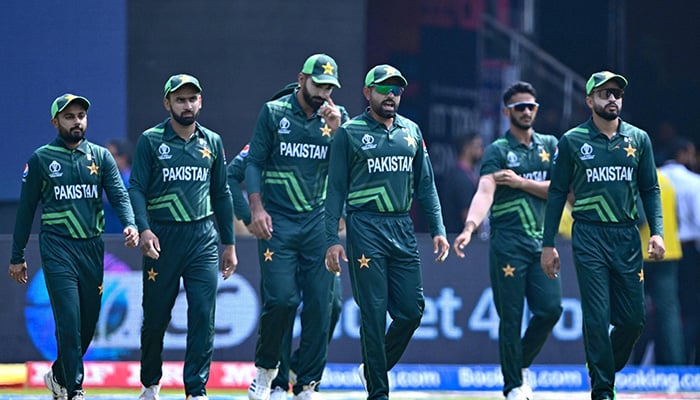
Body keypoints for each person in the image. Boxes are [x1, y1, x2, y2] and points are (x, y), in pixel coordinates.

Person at [324, 64, 450, 400]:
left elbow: (426, 185)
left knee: (411, 312)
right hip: (365, 225)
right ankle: (378, 392)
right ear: (367, 93)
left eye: (396, 89)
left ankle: (372, 368)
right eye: (384, 89)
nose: (391, 95)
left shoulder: (411, 130)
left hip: (401, 226)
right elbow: (335, 189)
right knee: (374, 312)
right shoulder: (350, 133)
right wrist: (331, 240)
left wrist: (438, 228)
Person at [541, 71, 665, 400]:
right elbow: (556, 194)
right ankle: (602, 390)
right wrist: (547, 243)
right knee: (596, 316)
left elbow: (650, 189)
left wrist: (658, 233)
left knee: (633, 321)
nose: (612, 98)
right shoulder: (572, 141)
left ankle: (604, 366)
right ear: (589, 100)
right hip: (589, 236)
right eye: (605, 93)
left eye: (617, 94)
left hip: (626, 236)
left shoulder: (638, 139)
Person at [8, 93, 139, 400]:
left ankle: (57, 375)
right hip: (57, 247)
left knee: (88, 324)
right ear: (55, 122)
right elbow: (26, 210)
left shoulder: (101, 157)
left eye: (81, 116)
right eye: (69, 117)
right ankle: (74, 389)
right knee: (67, 317)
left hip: (91, 249)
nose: (77, 121)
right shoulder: (41, 159)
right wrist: (17, 256)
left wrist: (131, 223)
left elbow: (120, 195)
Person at [227, 82, 344, 400]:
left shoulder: (331, 125)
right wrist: (249, 216)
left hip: (317, 229)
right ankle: (276, 380)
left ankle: (299, 373)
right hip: (279, 228)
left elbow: (348, 170)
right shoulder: (266, 136)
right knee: (283, 301)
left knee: (331, 305)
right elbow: (229, 176)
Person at [129, 74, 237, 400]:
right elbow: (135, 188)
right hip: (161, 237)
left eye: (192, 99)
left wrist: (229, 244)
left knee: (203, 314)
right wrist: (144, 228)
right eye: (180, 99)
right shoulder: (150, 141)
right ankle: (150, 382)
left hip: (203, 237)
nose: (187, 105)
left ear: (200, 101)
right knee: (157, 316)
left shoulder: (212, 142)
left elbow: (222, 193)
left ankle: (196, 389)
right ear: (167, 103)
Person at [452, 81, 562, 400]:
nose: (526, 111)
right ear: (506, 112)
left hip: (543, 242)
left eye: (531, 106)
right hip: (508, 243)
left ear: (536, 110)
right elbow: (485, 191)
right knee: (511, 316)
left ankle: (521, 363)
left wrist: (520, 183)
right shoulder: (498, 151)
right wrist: (470, 228)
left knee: (550, 310)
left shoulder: (550, 145)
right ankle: (513, 385)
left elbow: (561, 191)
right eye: (519, 107)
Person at [632, 169, 684, 365]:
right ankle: (676, 366)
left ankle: (632, 363)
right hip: (669, 251)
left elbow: (640, 218)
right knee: (669, 311)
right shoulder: (666, 181)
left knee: (635, 310)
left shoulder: (635, 179)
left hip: (643, 253)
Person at [659, 137, 700, 364]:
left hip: (652, 248)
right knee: (688, 310)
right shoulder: (694, 182)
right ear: (683, 154)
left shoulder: (654, 176)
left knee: (657, 309)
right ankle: (682, 362)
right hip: (686, 252)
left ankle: (659, 362)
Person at [440, 132, 484, 233]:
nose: (482, 149)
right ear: (466, 148)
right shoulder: (461, 179)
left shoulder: (466, 175)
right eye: (478, 145)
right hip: (460, 240)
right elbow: (468, 219)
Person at [103, 139, 133, 233]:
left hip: (126, 237)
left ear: (123, 158)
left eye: (111, 155)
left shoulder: (133, 182)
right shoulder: (103, 179)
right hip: (106, 238)